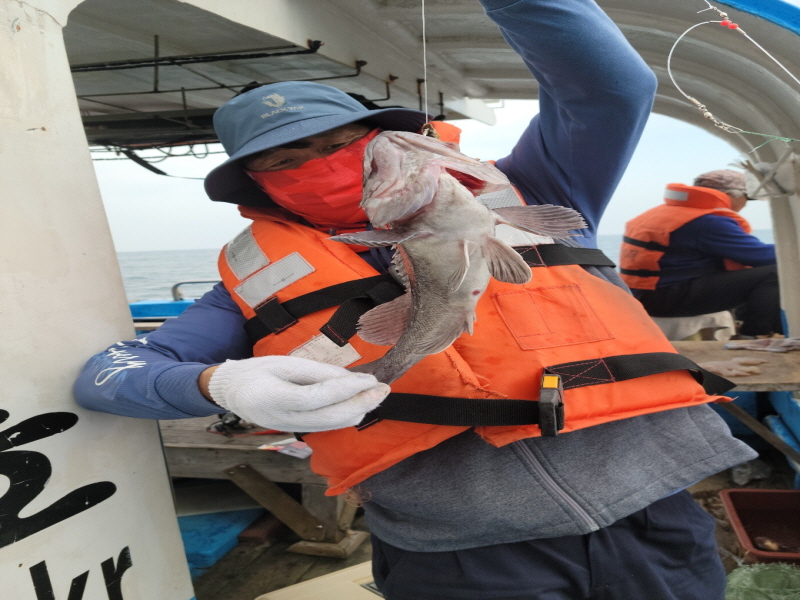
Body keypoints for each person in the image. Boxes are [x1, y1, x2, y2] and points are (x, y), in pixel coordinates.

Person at [74, 1, 757, 598]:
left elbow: (611, 88)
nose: (319, 162)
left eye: (343, 144)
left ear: (389, 143)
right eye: (284, 160)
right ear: (254, 186)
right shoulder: (248, 287)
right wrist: (218, 383)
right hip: (458, 556)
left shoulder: (536, 186)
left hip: (656, 513)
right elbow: (107, 375)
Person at [619, 169, 782, 337]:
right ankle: (753, 336)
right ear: (729, 195)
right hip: (665, 300)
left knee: (750, 275)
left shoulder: (663, 213)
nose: (746, 204)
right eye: (747, 197)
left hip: (641, 296)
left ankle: (754, 327)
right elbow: (764, 256)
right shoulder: (708, 222)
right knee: (774, 273)